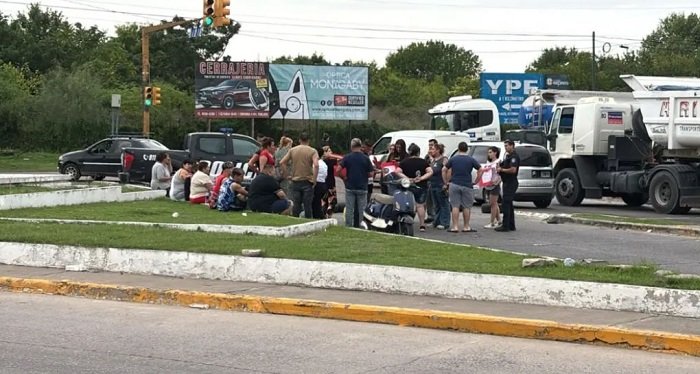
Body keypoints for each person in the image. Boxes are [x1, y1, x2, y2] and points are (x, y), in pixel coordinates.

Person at [442, 142, 482, 233]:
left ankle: (455, 226)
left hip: (455, 183)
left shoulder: (453, 159)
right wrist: (476, 181)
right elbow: (480, 169)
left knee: (455, 206)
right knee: (466, 206)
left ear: (458, 149)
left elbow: (444, 169)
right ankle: (466, 226)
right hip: (467, 184)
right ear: (467, 149)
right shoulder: (471, 160)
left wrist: (446, 181)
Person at [279, 132, 318, 219]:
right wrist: (314, 179)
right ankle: (308, 221)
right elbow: (316, 165)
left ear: (299, 140)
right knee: (307, 205)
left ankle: (295, 221)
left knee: (296, 205)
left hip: (295, 180)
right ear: (309, 140)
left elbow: (282, 162)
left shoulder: (293, 150)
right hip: (308, 181)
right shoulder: (313, 151)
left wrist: (287, 175)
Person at [340, 138, 374, 228]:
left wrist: (344, 177)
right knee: (362, 209)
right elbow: (371, 173)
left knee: (349, 208)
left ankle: (348, 226)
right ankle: (362, 226)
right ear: (360, 146)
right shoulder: (366, 158)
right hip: (362, 187)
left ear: (351, 146)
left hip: (350, 186)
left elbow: (338, 169)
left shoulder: (347, 157)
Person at [398, 143, 433, 232]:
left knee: (408, 204)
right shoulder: (423, 162)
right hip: (421, 186)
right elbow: (430, 172)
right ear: (418, 152)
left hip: (408, 185)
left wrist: (406, 178)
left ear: (409, 152)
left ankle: (407, 222)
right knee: (420, 205)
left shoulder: (404, 162)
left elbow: (397, 171)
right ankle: (422, 225)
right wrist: (421, 178)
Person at [496, 140, 520, 232]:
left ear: (512, 146)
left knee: (506, 203)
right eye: (505, 146)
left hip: (511, 182)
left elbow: (513, 170)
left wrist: (501, 170)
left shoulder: (514, 157)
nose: (505, 147)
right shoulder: (508, 156)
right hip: (506, 181)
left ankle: (505, 225)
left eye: (507, 146)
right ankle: (511, 224)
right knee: (509, 204)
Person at [428, 144, 450, 230]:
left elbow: (447, 170)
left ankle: (444, 222)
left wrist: (446, 183)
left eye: (433, 149)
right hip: (433, 185)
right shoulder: (433, 161)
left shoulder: (443, 160)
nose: (431, 151)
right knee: (436, 205)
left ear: (438, 150)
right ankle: (436, 221)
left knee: (443, 204)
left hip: (440, 185)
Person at [482, 146, 503, 229]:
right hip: (488, 184)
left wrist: (497, 181)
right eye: (488, 152)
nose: (489, 154)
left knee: (492, 204)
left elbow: (500, 174)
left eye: (491, 152)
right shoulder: (488, 162)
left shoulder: (498, 162)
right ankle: (499, 220)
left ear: (495, 153)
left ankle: (492, 222)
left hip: (495, 185)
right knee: (494, 203)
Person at [312, 149, 329, 219]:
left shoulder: (315, 163)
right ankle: (320, 215)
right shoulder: (324, 164)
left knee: (315, 202)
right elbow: (326, 175)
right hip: (323, 183)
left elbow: (313, 172)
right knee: (318, 202)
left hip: (317, 183)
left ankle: (317, 216)